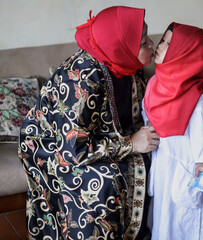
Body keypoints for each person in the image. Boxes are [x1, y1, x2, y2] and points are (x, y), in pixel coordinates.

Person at [18, 6, 160, 239]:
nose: (152, 45)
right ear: (121, 46)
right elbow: (74, 150)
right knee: (102, 180)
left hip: (97, 138)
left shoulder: (126, 64)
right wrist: (131, 145)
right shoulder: (82, 79)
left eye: (147, 38)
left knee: (153, 158)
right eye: (144, 42)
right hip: (52, 145)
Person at [142, 22, 203, 240]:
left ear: (183, 54)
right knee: (164, 209)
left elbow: (202, 129)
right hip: (163, 158)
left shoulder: (195, 94)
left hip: (187, 162)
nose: (160, 45)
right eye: (163, 40)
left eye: (169, 43)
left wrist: (201, 161)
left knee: (188, 211)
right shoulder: (154, 83)